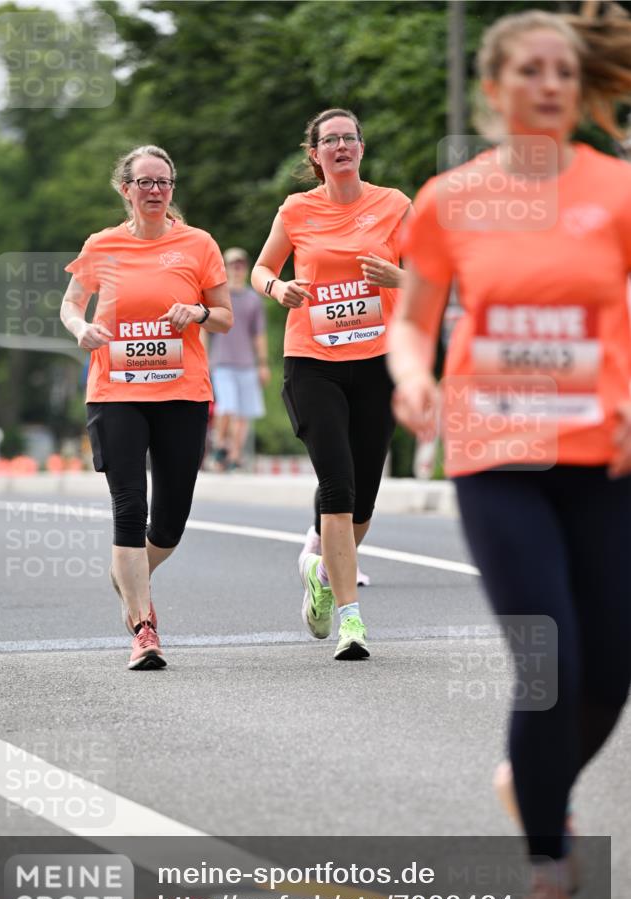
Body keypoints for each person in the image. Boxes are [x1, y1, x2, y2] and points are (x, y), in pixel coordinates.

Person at [389, 7, 631, 899]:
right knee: (549, 661)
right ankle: (546, 871)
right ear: (492, 90)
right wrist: (411, 378)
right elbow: (415, 319)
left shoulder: (614, 190)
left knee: (610, 665)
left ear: (578, 90)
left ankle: (532, 783)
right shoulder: (449, 198)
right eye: (527, 70)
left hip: (601, 454)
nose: (546, 85)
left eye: (561, 73)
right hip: (496, 453)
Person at [61, 144, 232, 669]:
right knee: (129, 507)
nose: (155, 191)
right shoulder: (103, 245)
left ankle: (128, 572)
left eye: (164, 182)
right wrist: (82, 328)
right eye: (145, 182)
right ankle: (144, 627)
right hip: (117, 393)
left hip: (182, 393)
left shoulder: (198, 244)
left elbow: (223, 316)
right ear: (125, 189)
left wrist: (198, 311)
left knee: (170, 521)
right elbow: (71, 303)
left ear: (171, 190)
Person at [252, 108, 411, 660]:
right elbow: (260, 269)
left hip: (377, 364)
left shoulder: (394, 205)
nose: (341, 146)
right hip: (313, 361)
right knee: (337, 488)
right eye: (330, 140)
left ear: (361, 149)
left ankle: (320, 571)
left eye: (349, 138)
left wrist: (401, 278)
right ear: (315, 155)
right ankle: (351, 621)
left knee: (362, 498)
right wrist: (278, 288)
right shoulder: (297, 209)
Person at [206, 247, 269, 471]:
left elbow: (258, 334)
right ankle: (220, 444)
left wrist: (262, 364)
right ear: (225, 267)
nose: (237, 268)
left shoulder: (253, 299)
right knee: (228, 406)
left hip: (247, 363)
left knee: (244, 413)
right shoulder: (218, 296)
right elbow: (205, 328)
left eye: (240, 264)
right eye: (233, 264)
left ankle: (234, 455)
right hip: (222, 361)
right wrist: (204, 360)